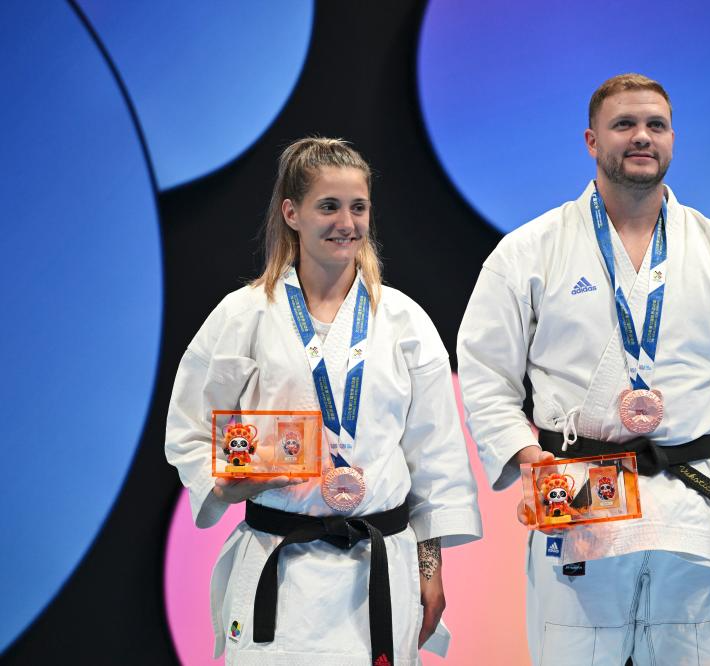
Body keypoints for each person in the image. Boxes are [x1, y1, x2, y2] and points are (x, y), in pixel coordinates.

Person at [457, 74, 710, 665]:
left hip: (691, 507)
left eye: (656, 125)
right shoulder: (529, 251)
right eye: (624, 124)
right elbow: (483, 373)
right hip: (577, 500)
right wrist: (527, 459)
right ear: (591, 140)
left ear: (673, 138)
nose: (642, 137)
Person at [165, 137, 482, 665]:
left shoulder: (404, 321)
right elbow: (187, 429)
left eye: (359, 207)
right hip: (279, 565)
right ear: (291, 213)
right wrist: (224, 482)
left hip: (379, 569)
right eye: (329, 206)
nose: (347, 223)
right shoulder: (243, 315)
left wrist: (431, 570)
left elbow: (437, 459)